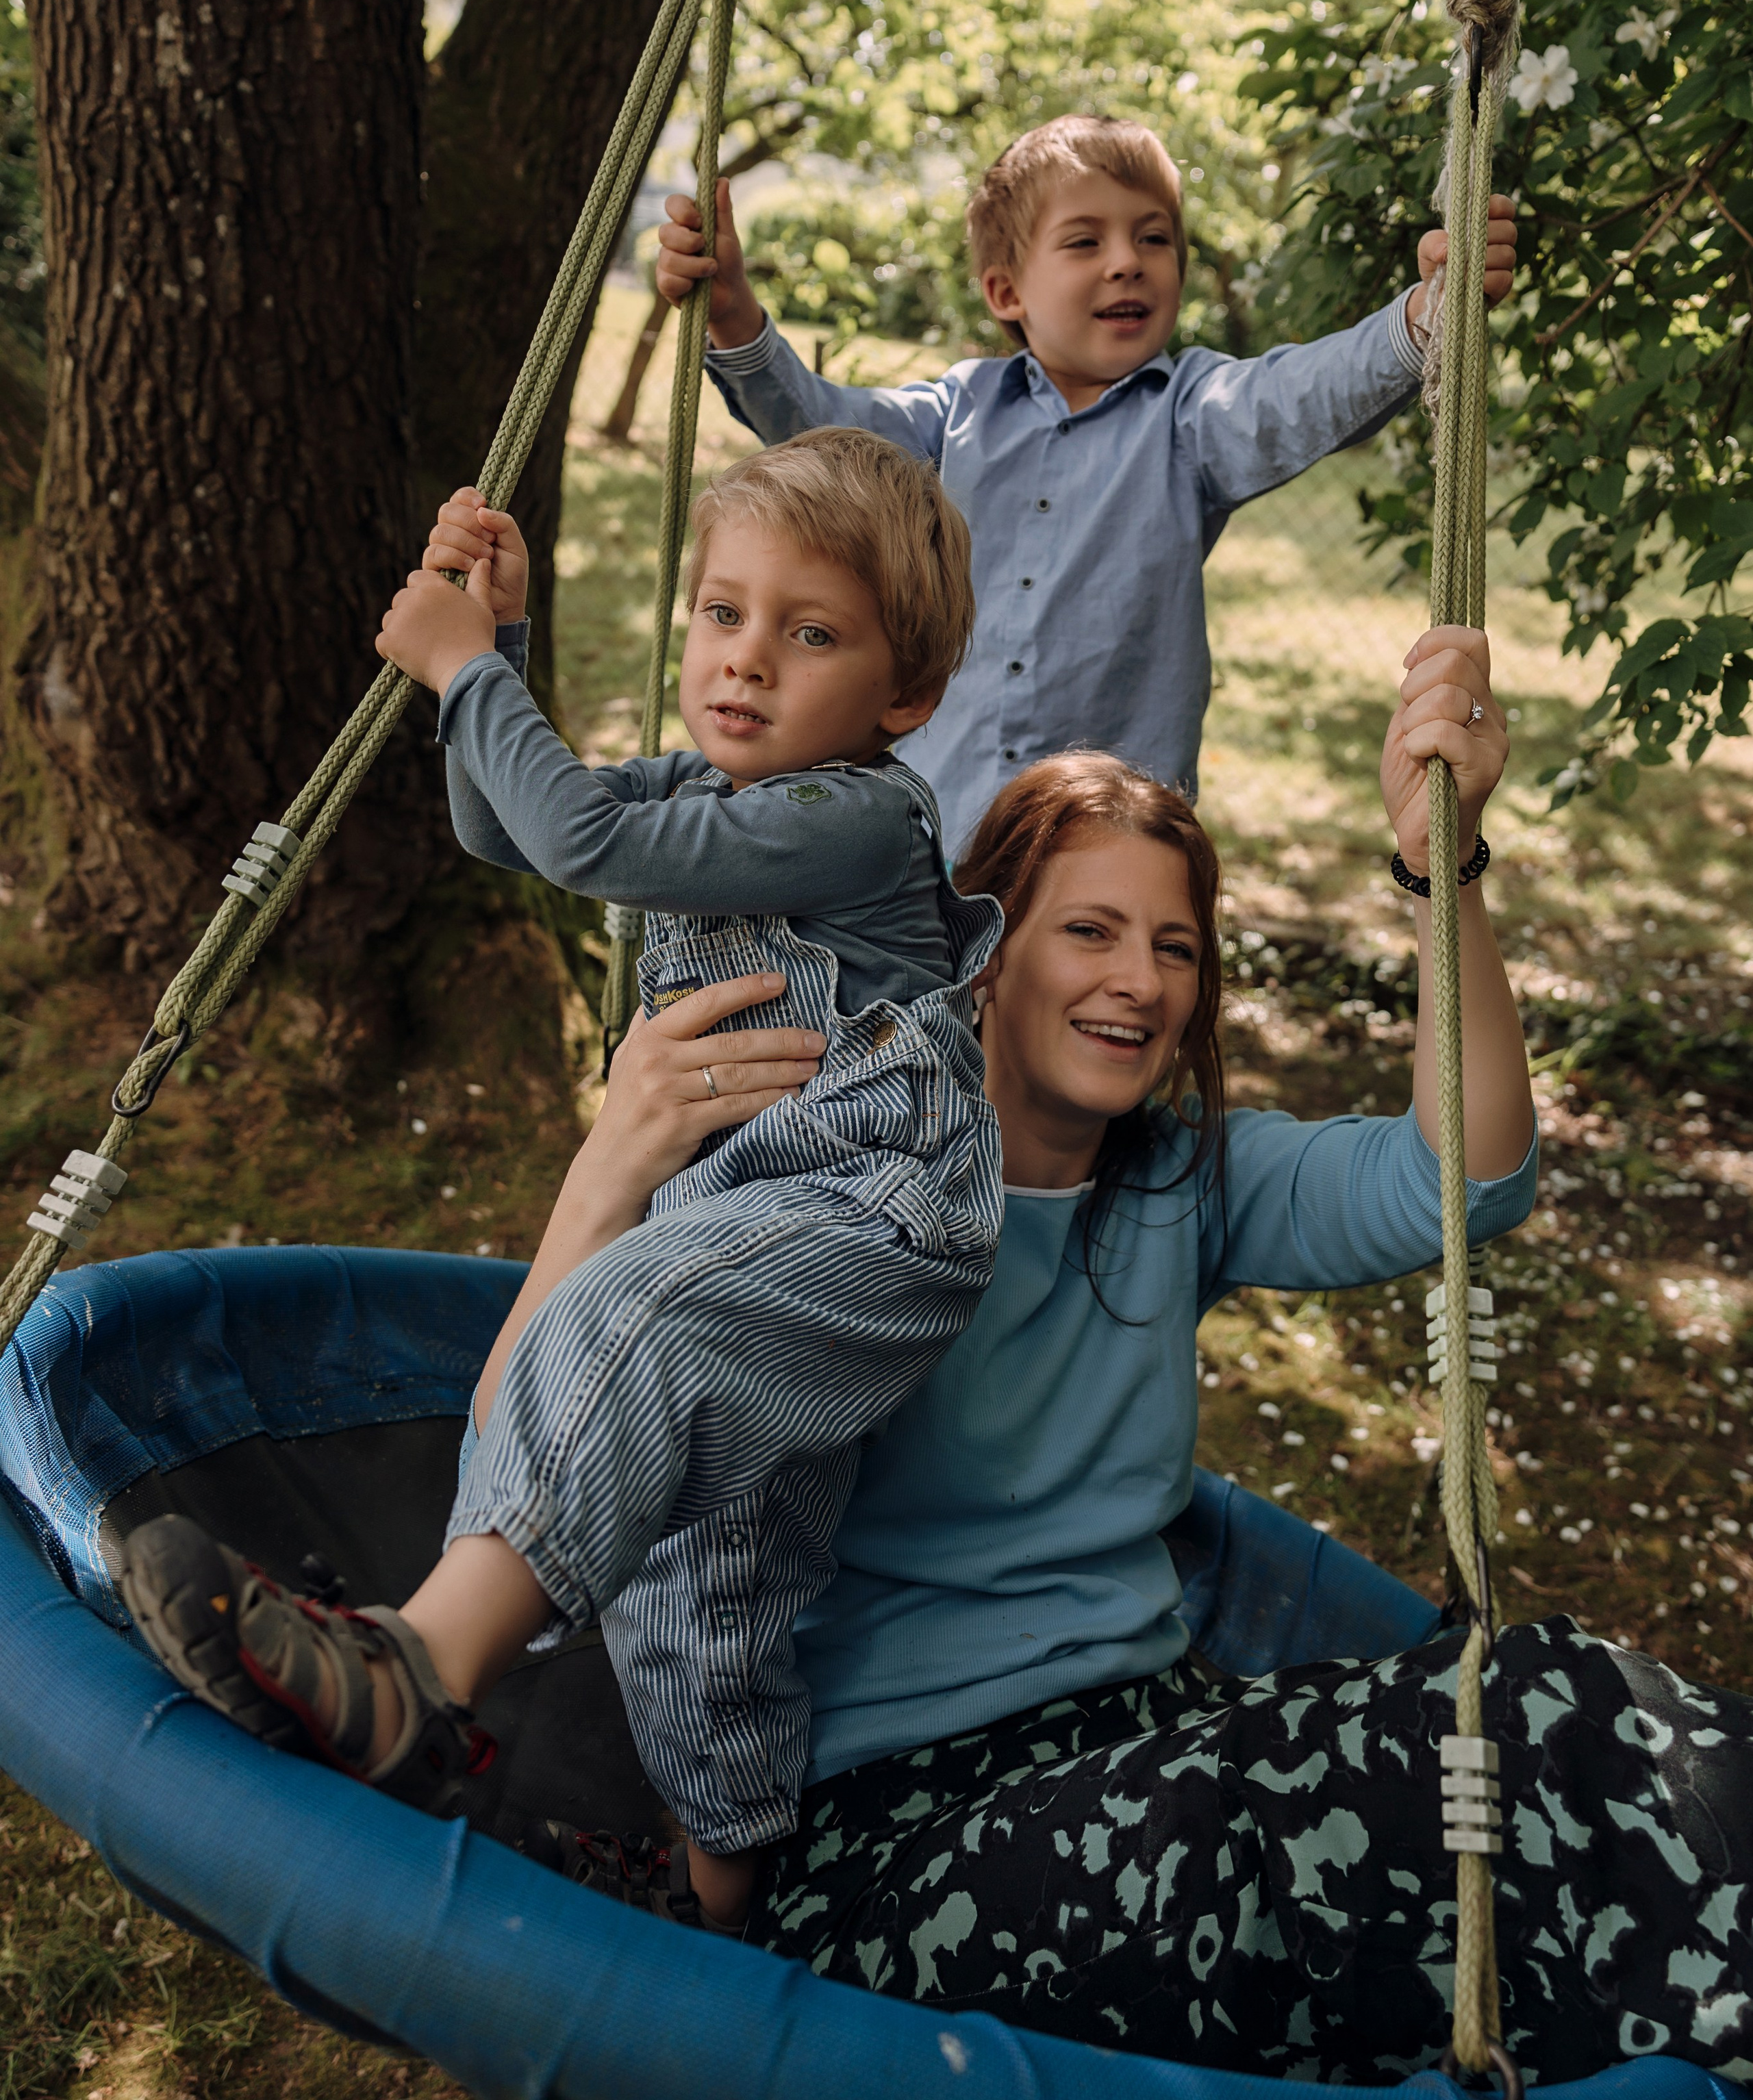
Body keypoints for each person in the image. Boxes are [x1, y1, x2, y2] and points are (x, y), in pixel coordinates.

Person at [523, 626, 1752, 2080]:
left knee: (1530, 1742)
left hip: (1156, 1753)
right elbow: (533, 1437)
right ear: (979, 953)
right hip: (896, 1849)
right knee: (1491, 1741)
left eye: (1175, 946)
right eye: (1089, 930)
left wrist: (1443, 871)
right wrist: (610, 1171)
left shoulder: (1176, 1185)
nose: (1140, 980)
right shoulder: (836, 1190)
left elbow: (1466, 1175)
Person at [118, 427, 1008, 1916]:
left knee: (632, 1309)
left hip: (873, 1208)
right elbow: (504, 826)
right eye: (721, 615)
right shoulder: (709, 785)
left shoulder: (857, 816)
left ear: (902, 698)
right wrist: (507, 649)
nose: (745, 663)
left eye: (808, 635)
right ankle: (727, 1923)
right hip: (741, 1232)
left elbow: (576, 835)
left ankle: (419, 1671)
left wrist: (470, 670)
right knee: (699, 1602)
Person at [656, 114, 1521, 857]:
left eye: (1154, 239)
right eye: (1085, 242)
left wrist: (1422, 317)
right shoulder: (950, 416)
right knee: (933, 1038)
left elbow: (1296, 397)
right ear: (1007, 292)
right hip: (933, 830)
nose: (1127, 263)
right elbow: (819, 426)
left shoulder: (1189, 418)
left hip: (1105, 853)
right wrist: (733, 312)